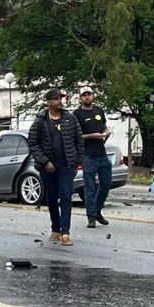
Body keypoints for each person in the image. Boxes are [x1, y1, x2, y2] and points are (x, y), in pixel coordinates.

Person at [28, 88, 84, 246]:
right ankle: (55, 228)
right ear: (48, 101)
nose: (59, 101)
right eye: (55, 98)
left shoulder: (70, 118)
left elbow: (79, 140)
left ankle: (65, 231)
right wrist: (45, 161)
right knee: (51, 198)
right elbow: (32, 143)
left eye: (60, 98)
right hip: (48, 166)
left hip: (66, 165)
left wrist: (77, 160)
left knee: (66, 197)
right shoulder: (40, 121)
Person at [73, 86, 112, 228]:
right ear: (80, 98)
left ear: (93, 96)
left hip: (101, 153)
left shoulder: (99, 111)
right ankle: (91, 216)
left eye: (89, 94)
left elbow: (103, 127)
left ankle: (97, 210)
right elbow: (76, 136)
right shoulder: (76, 114)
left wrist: (106, 132)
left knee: (106, 184)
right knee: (89, 187)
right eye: (84, 95)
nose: (87, 97)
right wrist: (91, 136)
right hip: (87, 155)